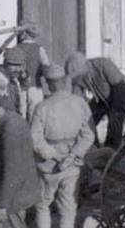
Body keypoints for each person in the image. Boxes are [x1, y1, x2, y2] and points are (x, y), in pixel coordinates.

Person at [30, 64, 94, 228]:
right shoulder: (80, 103)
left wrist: (54, 155)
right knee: (68, 208)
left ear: (49, 84)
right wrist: (72, 156)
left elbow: (35, 139)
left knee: (43, 205)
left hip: (49, 166)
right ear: (65, 81)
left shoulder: (42, 107)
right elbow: (88, 135)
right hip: (72, 165)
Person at [0, 90, 41, 228]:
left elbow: (13, 170)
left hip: (13, 198)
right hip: (11, 193)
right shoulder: (4, 121)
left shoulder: (10, 128)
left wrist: (2, 205)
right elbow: (5, 154)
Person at [65, 51, 125, 148]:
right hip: (103, 99)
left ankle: (111, 150)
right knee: (87, 116)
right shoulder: (79, 76)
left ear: (84, 66)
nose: (78, 77)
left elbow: (120, 89)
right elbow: (76, 100)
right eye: (76, 76)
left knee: (115, 116)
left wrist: (111, 112)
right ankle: (93, 147)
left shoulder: (104, 64)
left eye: (78, 74)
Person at [0, 47, 45, 123]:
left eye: (20, 66)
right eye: (14, 65)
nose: (18, 69)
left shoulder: (12, 77)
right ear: (5, 63)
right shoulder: (1, 81)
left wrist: (25, 77)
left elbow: (23, 88)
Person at [13, 24, 49, 89]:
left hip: (20, 87)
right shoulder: (39, 49)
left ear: (25, 34)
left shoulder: (16, 48)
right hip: (35, 86)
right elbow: (46, 67)